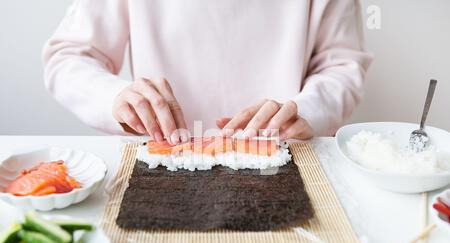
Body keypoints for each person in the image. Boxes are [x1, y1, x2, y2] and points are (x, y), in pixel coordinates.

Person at [43, 0, 372, 145]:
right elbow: (69, 57)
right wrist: (115, 98)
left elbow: (341, 64)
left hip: (286, 155)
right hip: (162, 158)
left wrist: (309, 109)